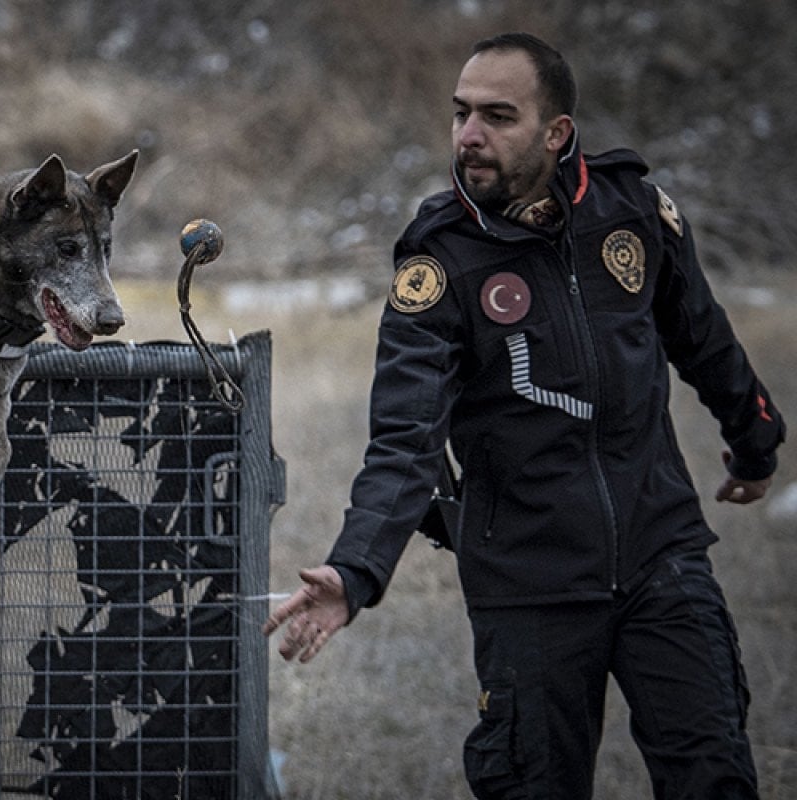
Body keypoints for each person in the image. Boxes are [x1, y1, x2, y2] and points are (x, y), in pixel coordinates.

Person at [263, 32, 786, 800]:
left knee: (716, 777)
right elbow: (406, 437)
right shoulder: (439, 259)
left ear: (556, 132)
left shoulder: (631, 210)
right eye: (461, 113)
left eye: (497, 116)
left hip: (661, 553)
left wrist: (756, 439)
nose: (469, 135)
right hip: (527, 585)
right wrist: (355, 570)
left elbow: (701, 337)